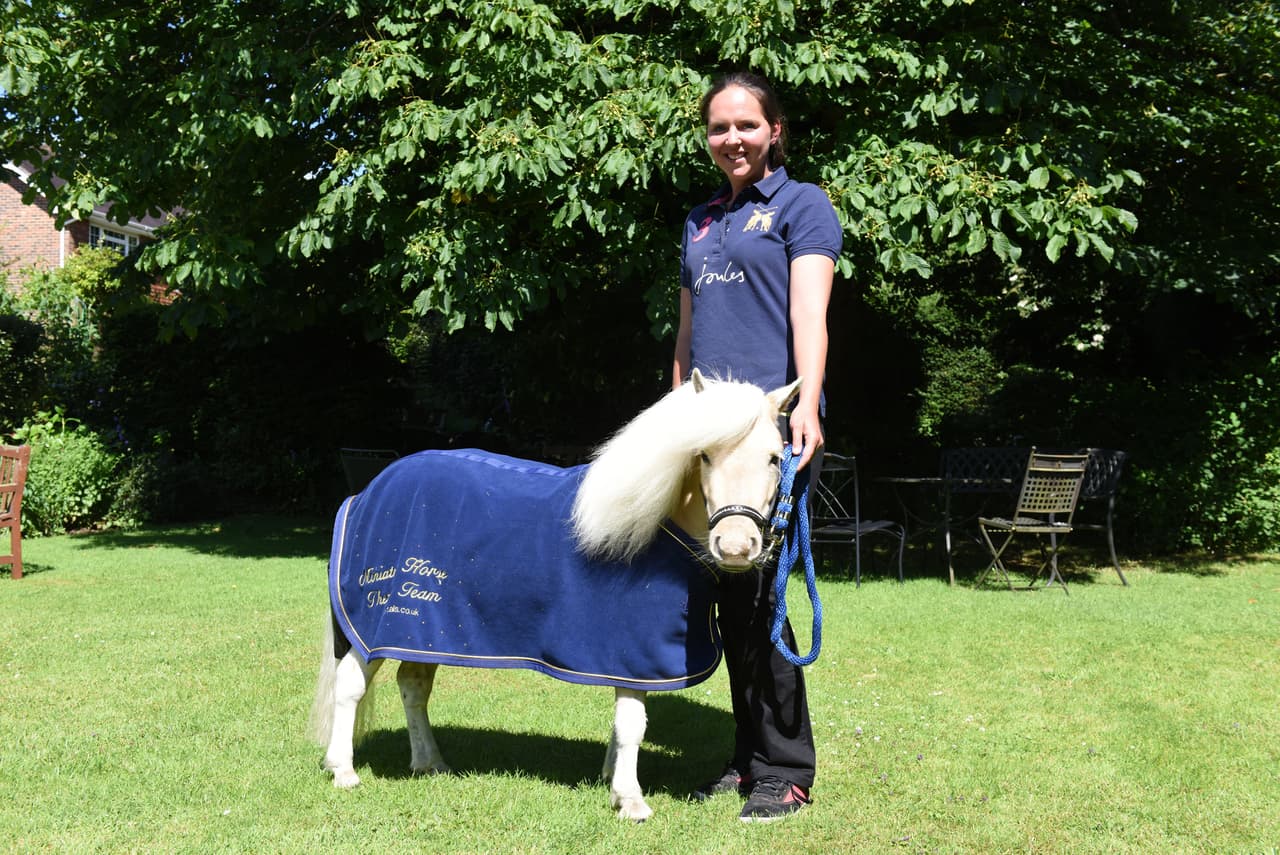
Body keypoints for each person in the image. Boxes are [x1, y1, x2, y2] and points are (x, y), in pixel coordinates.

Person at [671, 72, 843, 822]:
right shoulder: (699, 222)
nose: (731, 138)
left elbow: (811, 313)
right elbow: (686, 336)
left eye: (746, 124)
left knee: (766, 600)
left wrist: (807, 400)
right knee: (727, 599)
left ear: (776, 130)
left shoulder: (803, 205)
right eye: (718, 127)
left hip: (770, 431)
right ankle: (746, 758)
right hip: (705, 438)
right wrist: (673, 415)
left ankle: (786, 768)